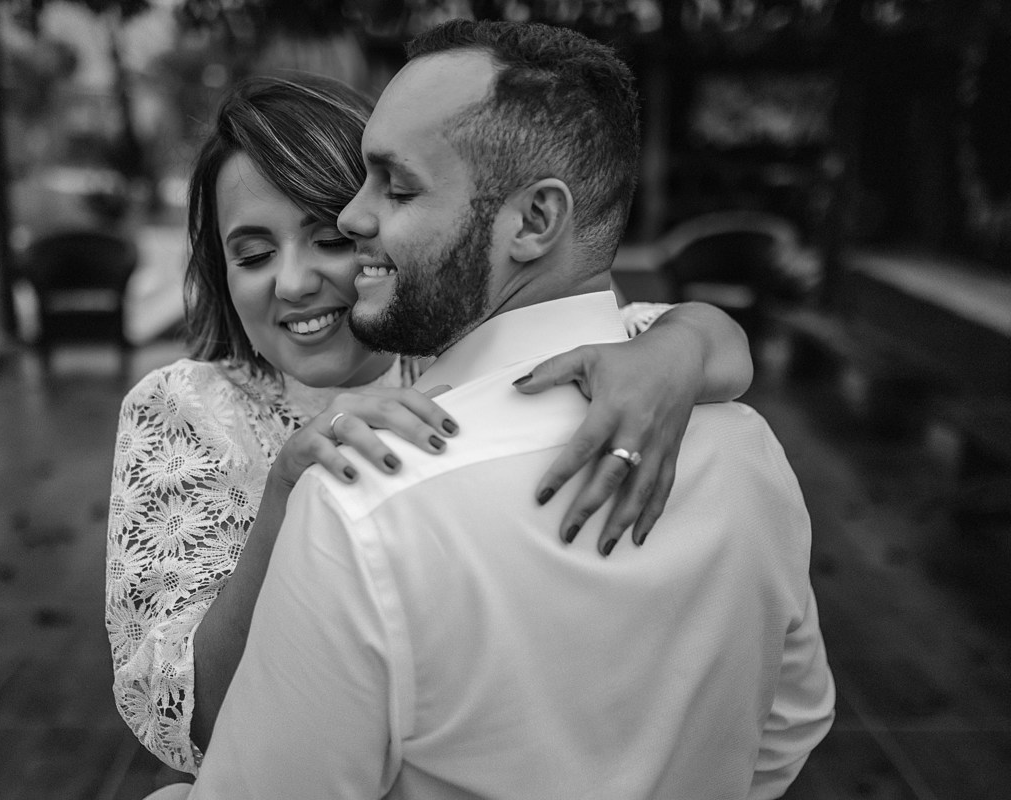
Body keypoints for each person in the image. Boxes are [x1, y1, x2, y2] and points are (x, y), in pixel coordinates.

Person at [180, 19, 835, 800]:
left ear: (533, 222)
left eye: (396, 185)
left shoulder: (364, 501)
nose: (355, 221)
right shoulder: (745, 447)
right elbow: (790, 723)